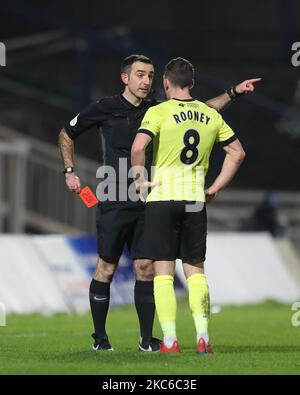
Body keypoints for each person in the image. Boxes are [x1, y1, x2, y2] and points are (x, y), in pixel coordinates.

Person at [58, 54, 258, 352]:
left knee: (146, 268)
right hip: (114, 197)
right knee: (106, 268)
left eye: (151, 75)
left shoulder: (158, 107)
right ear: (125, 78)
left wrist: (232, 93)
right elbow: (66, 134)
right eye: (140, 74)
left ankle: (147, 339)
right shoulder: (104, 108)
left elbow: (201, 110)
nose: (146, 81)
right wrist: (70, 171)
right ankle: (100, 338)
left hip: (151, 199)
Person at [131, 57, 246, 353]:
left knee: (163, 273)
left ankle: (169, 339)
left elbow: (138, 148)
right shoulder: (210, 115)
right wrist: (216, 187)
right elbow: (237, 153)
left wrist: (139, 180)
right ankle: (203, 337)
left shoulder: (158, 112)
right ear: (192, 84)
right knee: (196, 271)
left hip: (162, 198)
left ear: (165, 83)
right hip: (194, 199)